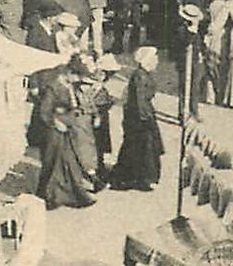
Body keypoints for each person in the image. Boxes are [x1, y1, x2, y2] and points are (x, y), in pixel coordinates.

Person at [29, 58, 98, 209]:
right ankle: (46, 197)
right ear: (70, 73)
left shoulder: (67, 85)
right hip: (54, 132)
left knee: (67, 162)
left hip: (66, 129)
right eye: (77, 77)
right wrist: (55, 122)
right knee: (51, 163)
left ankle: (70, 195)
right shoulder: (53, 87)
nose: (78, 80)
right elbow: (44, 111)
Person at [109, 47, 164, 191]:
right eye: (155, 58)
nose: (157, 61)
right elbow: (139, 99)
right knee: (139, 147)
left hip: (141, 114)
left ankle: (137, 177)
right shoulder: (140, 75)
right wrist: (145, 119)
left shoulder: (144, 74)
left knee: (140, 147)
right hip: (138, 117)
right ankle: (137, 179)